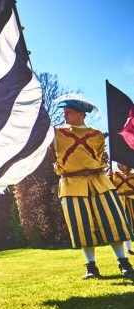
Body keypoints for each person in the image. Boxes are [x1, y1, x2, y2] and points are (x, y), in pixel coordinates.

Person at [53, 95, 134, 279]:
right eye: (64, 112)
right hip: (71, 184)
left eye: (69, 112)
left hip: (99, 182)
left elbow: (98, 158)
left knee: (113, 220)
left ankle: (124, 262)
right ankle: (91, 266)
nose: (65, 115)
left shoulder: (97, 135)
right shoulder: (56, 133)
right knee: (81, 225)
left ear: (81, 114)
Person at [110, 162, 134, 255]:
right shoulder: (114, 175)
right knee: (125, 225)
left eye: (123, 164)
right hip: (121, 202)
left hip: (132, 200)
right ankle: (128, 249)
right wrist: (109, 176)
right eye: (119, 165)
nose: (121, 166)